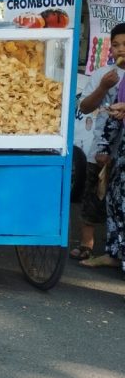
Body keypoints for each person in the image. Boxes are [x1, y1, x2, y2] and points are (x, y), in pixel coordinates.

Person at [72, 22, 125, 262]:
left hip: (120, 149)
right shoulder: (103, 74)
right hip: (100, 148)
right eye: (115, 45)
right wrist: (104, 87)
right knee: (94, 195)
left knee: (117, 200)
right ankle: (87, 243)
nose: (120, 49)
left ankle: (115, 250)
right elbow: (84, 106)